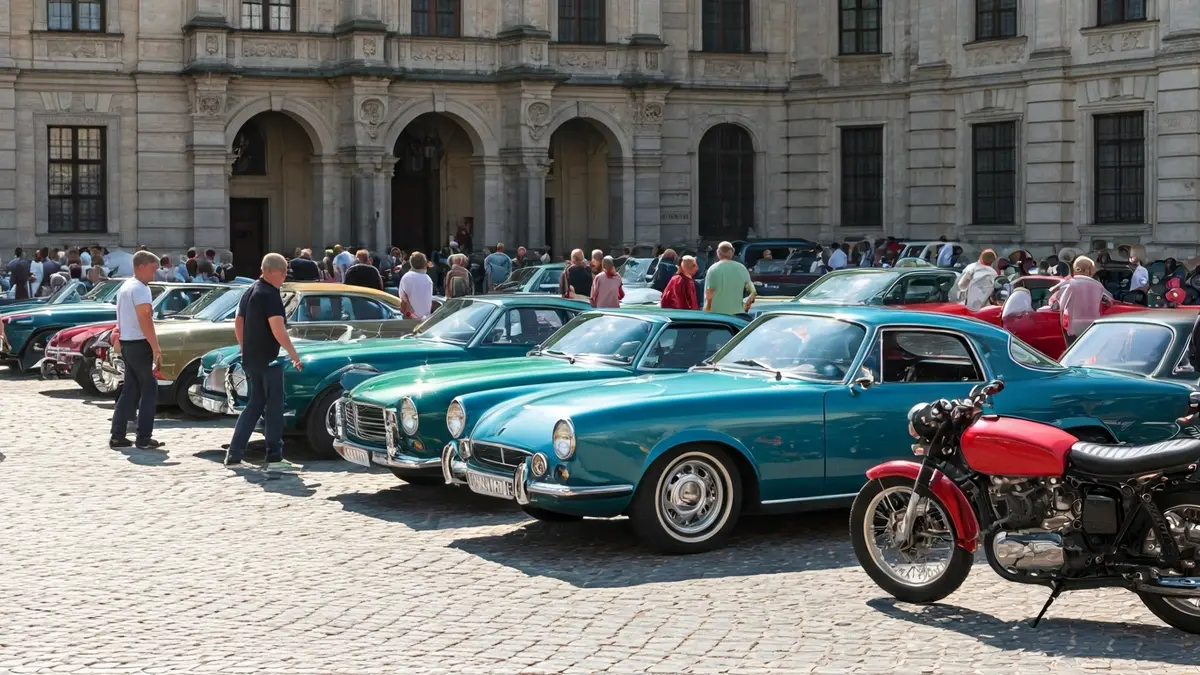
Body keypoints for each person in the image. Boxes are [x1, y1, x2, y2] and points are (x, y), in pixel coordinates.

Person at [223, 253, 303, 469]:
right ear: (273, 271)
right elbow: (278, 329)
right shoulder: (270, 294)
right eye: (284, 272)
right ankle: (274, 457)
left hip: (251, 358)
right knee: (274, 407)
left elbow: (238, 323)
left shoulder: (250, 291)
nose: (285, 276)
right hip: (269, 359)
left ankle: (235, 454)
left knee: (255, 404)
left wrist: (244, 348)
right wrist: (294, 355)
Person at [109, 251, 164, 450]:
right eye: (153, 269)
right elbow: (145, 318)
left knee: (130, 389)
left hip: (127, 342)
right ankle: (143, 437)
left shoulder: (125, 286)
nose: (154, 274)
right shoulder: (141, 288)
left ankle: (118, 434)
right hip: (139, 344)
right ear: (141, 266)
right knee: (150, 389)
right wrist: (156, 347)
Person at [1050, 255, 1113, 347]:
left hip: (1074, 324)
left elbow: (1059, 304)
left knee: (1074, 350)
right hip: (1093, 324)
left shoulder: (1070, 283)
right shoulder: (1098, 285)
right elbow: (1110, 300)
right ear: (1088, 270)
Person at [705, 241, 756, 315]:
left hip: (717, 314)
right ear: (733, 251)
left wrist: (707, 311)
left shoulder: (713, 269)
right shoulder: (742, 268)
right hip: (737, 314)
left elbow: (709, 293)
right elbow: (753, 292)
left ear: (718, 252)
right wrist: (745, 305)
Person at [398, 252, 435, 319]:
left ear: (411, 263)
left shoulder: (406, 277)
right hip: (425, 319)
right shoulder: (428, 278)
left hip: (410, 318)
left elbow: (403, 300)